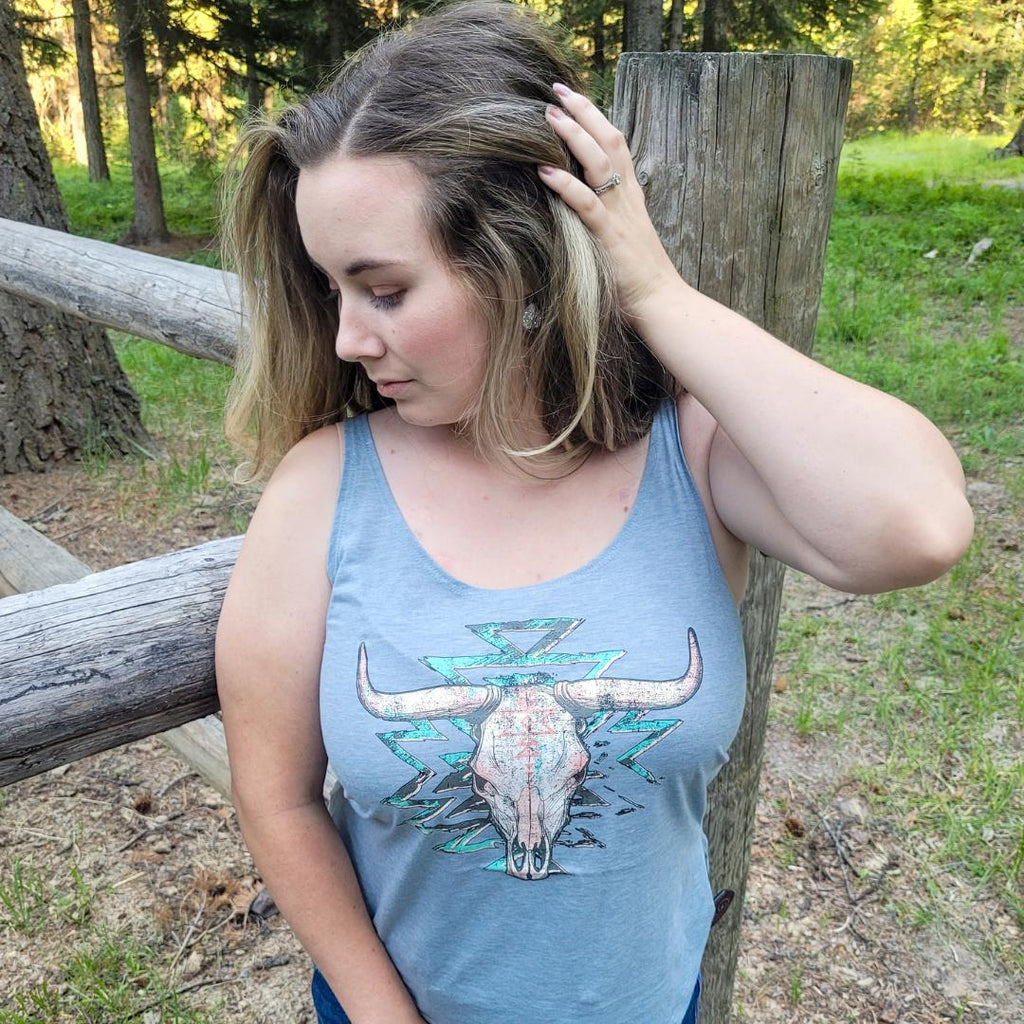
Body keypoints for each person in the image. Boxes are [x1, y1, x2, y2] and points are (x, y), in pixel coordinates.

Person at [214, 3, 974, 1023]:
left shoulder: (690, 457)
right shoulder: (321, 490)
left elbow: (918, 525)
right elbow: (277, 796)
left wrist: (651, 290)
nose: (347, 336)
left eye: (385, 290)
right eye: (330, 288)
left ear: (519, 261)